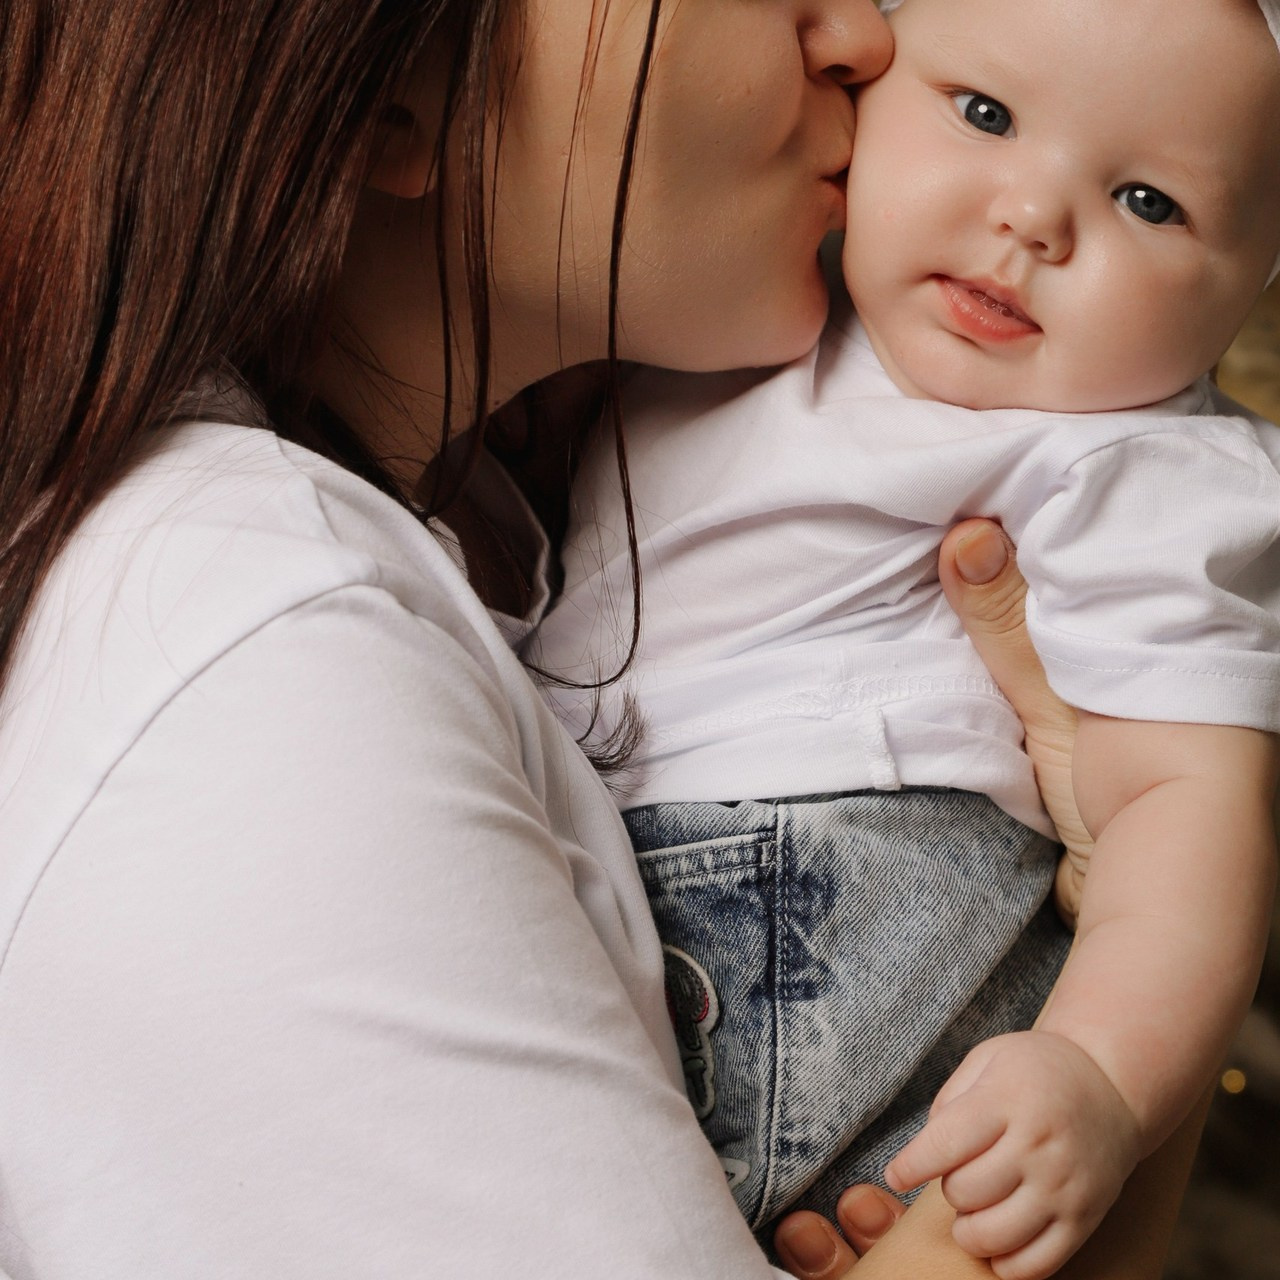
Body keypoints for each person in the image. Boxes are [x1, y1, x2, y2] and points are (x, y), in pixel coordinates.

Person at [0, 1, 1215, 1278]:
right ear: (392, 93)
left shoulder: (490, 543)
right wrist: (1133, 898)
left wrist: (1130, 908)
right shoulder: (259, 652)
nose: (859, 33)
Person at [532, 0, 1280, 1275]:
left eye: (1148, 201)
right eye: (982, 114)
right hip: (608, 896)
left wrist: (1096, 1071)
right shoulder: (747, 301)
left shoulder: (1131, 464)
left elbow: (1186, 808)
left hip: (830, 927)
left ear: (1251, 287)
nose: (1033, 218)